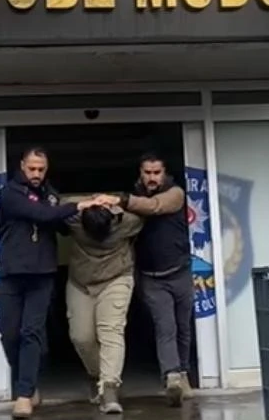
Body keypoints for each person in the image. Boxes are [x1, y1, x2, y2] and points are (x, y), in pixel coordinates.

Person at [0, 147, 106, 419]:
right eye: (32, 168)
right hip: (12, 273)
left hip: (42, 273)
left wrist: (94, 212)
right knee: (9, 333)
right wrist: (77, 205)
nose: (36, 174)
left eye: (41, 169)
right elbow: (41, 215)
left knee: (30, 332)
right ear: (22, 166)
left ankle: (24, 394)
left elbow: (63, 226)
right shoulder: (10, 193)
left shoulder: (51, 195)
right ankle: (28, 379)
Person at [95, 152, 194, 407]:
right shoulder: (132, 200)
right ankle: (172, 377)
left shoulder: (175, 194)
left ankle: (183, 373)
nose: (152, 177)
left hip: (180, 272)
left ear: (164, 173)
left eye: (156, 172)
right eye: (147, 173)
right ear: (140, 173)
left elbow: (155, 206)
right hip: (151, 277)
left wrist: (121, 200)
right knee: (166, 327)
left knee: (183, 327)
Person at [59, 196, 144, 414]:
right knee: (81, 337)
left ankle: (109, 389)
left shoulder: (75, 220)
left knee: (111, 331)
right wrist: (111, 201)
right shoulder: (126, 222)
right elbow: (142, 210)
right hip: (81, 283)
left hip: (116, 278)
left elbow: (62, 203)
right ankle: (96, 375)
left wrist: (90, 201)